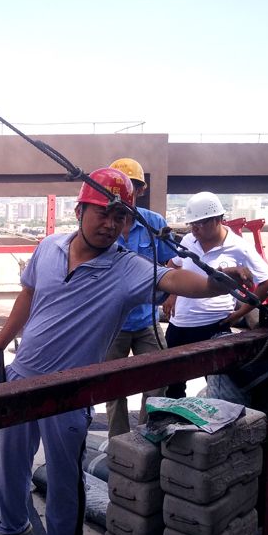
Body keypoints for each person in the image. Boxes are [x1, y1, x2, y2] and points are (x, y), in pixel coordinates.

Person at [0, 168, 254, 535]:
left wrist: (219, 283)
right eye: (102, 212)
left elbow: (178, 280)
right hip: (21, 376)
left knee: (64, 476)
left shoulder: (128, 269)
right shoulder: (49, 247)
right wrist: (2, 338)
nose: (110, 224)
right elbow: (28, 293)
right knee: (11, 461)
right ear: (79, 211)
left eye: (120, 216)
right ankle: (11, 524)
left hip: (69, 392)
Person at [162, 191, 268, 398]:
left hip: (214, 326)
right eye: (192, 224)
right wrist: (172, 295)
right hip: (179, 326)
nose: (194, 229)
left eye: (200, 224)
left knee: (220, 388)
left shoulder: (238, 247)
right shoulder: (188, 240)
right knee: (172, 386)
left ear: (217, 220)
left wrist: (240, 313)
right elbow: (174, 265)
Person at [104, 158, 175, 438]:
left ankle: (145, 437)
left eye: (131, 186)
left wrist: (171, 294)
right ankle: (119, 442)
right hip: (113, 324)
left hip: (146, 319)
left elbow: (172, 262)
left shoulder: (153, 223)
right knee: (112, 386)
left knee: (158, 379)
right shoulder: (104, 224)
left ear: (141, 190)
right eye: (117, 186)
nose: (124, 192)